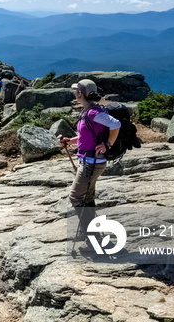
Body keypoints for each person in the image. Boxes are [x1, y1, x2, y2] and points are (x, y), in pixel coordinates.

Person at [59, 79, 121, 234]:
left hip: (92, 162)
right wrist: (70, 141)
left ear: (81, 93)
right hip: (89, 161)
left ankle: (90, 232)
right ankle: (91, 228)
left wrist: (108, 145)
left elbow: (116, 124)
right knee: (87, 197)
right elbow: (85, 136)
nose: (75, 93)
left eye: (76, 91)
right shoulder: (87, 111)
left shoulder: (93, 113)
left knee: (75, 197)